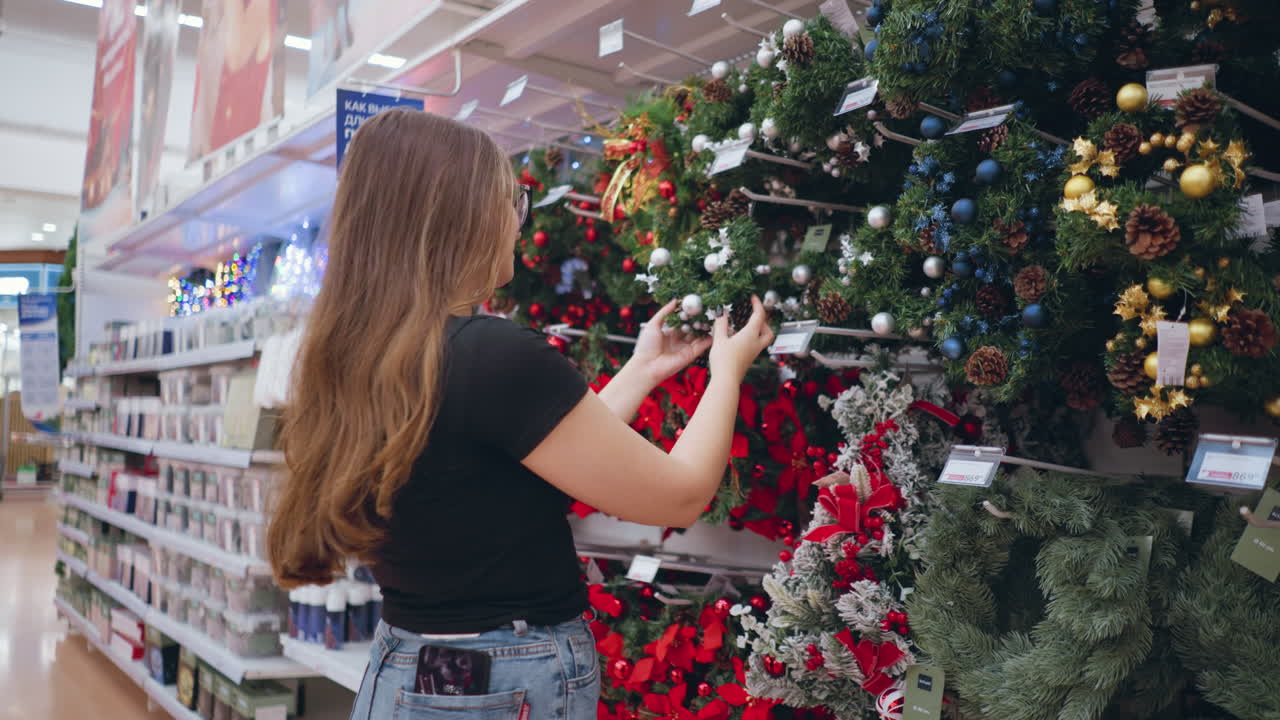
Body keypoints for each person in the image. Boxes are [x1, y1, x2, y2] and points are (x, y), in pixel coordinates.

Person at [266, 110, 774, 720]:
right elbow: (682, 495)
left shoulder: (371, 354)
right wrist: (728, 371)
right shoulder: (489, 354)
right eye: (510, 200)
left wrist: (641, 371)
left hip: (407, 666)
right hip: (500, 678)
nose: (516, 220)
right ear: (459, 216)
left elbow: (535, 460)